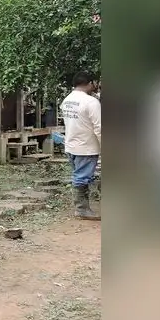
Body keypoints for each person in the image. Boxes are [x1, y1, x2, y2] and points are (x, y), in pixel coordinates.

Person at [60, 72, 101, 221]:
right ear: (90, 83)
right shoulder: (91, 102)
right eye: (95, 83)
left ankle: (82, 208)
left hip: (71, 146)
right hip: (87, 147)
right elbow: (99, 127)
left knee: (80, 175)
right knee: (82, 178)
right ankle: (82, 209)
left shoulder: (67, 100)